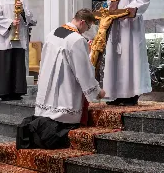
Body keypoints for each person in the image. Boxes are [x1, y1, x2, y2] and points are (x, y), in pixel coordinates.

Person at [16, 9, 106, 150]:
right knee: (62, 115)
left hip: (47, 88)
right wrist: (96, 91)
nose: (88, 30)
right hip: (65, 92)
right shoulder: (77, 40)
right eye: (88, 27)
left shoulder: (54, 32)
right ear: (82, 22)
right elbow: (83, 71)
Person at [104, 0, 151, 106]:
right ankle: (116, 94)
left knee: (130, 58)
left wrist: (131, 9)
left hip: (130, 25)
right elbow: (111, 1)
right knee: (116, 59)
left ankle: (132, 94)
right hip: (116, 25)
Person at [0, 0, 35, 101]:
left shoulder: (21, 1)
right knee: (5, 63)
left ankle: (18, 91)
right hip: (4, 38)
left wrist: (22, 12)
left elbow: (30, 19)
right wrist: (10, 23)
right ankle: (3, 92)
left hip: (19, 37)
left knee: (18, 63)